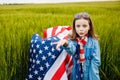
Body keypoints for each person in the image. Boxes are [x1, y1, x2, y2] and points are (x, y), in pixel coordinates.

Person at [54, 12, 101, 80]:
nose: (81, 29)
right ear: (74, 27)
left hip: (90, 74)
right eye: (78, 26)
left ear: (89, 27)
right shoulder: (73, 40)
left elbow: (96, 61)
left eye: (84, 26)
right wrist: (66, 43)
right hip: (76, 73)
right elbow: (72, 50)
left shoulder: (94, 41)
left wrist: (93, 78)